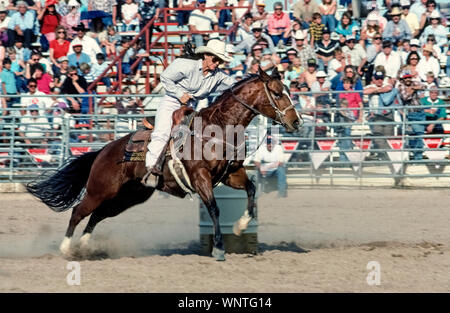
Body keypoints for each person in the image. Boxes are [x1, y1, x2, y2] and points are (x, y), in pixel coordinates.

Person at [142, 39, 236, 187]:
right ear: (206, 55)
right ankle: (151, 169)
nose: (217, 63)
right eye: (215, 59)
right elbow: (165, 77)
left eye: (220, 61)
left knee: (201, 137)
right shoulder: (186, 65)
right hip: (171, 102)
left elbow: (236, 85)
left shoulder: (218, 76)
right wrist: (179, 93)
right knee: (162, 133)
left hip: (192, 107)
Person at [363, 70, 399, 160]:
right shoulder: (370, 86)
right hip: (376, 115)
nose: (379, 80)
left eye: (381, 78)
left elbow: (389, 88)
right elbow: (364, 91)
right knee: (377, 136)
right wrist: (378, 90)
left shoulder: (386, 84)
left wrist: (375, 91)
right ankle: (385, 155)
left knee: (388, 137)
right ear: (373, 79)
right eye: (377, 78)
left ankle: (387, 156)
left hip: (387, 114)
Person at [397, 70, 425, 160]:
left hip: (420, 112)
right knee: (416, 135)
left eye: (409, 77)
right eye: (406, 78)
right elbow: (405, 97)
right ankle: (417, 157)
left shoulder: (413, 83)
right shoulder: (401, 86)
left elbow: (424, 86)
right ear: (403, 79)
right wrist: (414, 89)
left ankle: (417, 157)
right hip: (411, 113)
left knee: (418, 135)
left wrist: (413, 88)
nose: (408, 79)